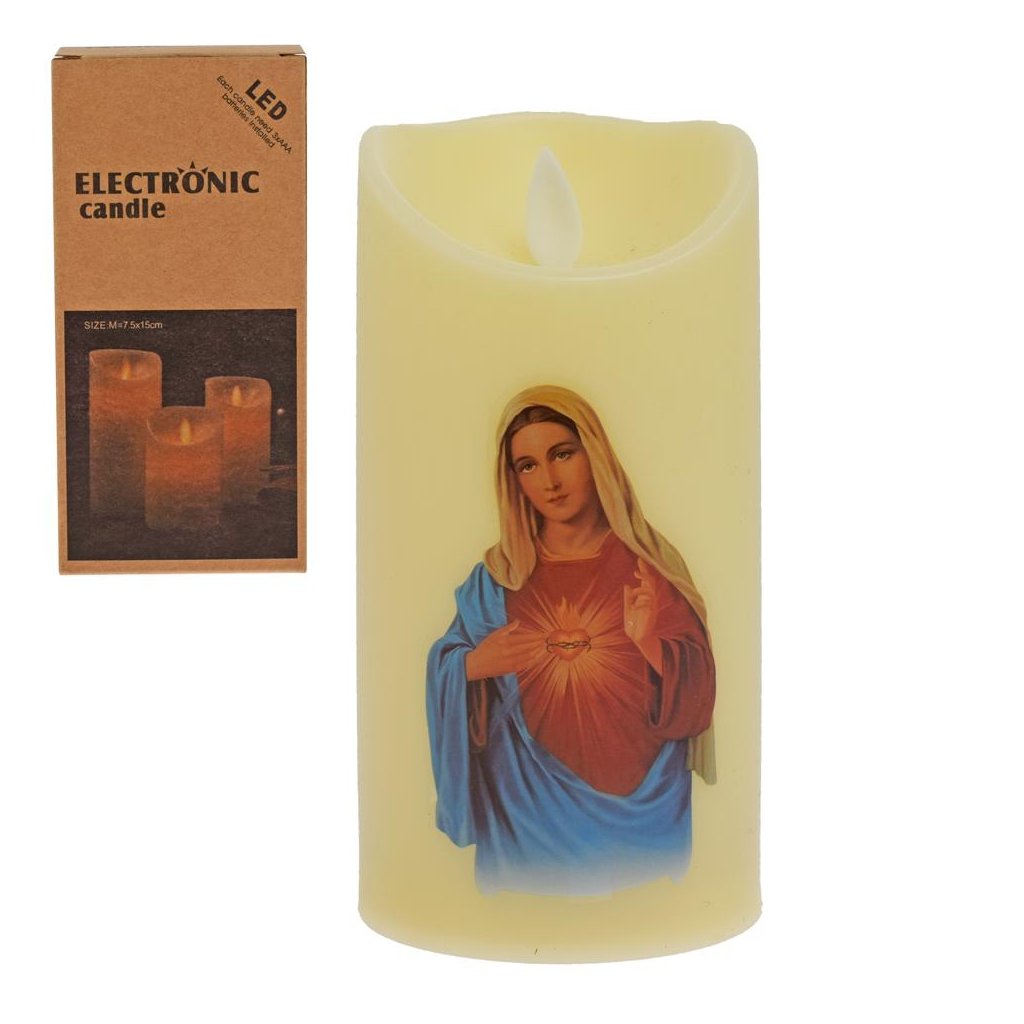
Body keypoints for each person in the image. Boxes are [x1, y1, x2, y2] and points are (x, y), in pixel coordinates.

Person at [427, 385, 715, 896]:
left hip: (644, 812)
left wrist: (650, 642)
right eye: (528, 466)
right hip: (525, 815)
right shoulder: (496, 579)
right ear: (512, 480)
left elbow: (697, 700)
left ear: (594, 454)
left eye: (562, 454)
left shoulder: (651, 567)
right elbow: (450, 661)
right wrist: (472, 666)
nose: (550, 481)